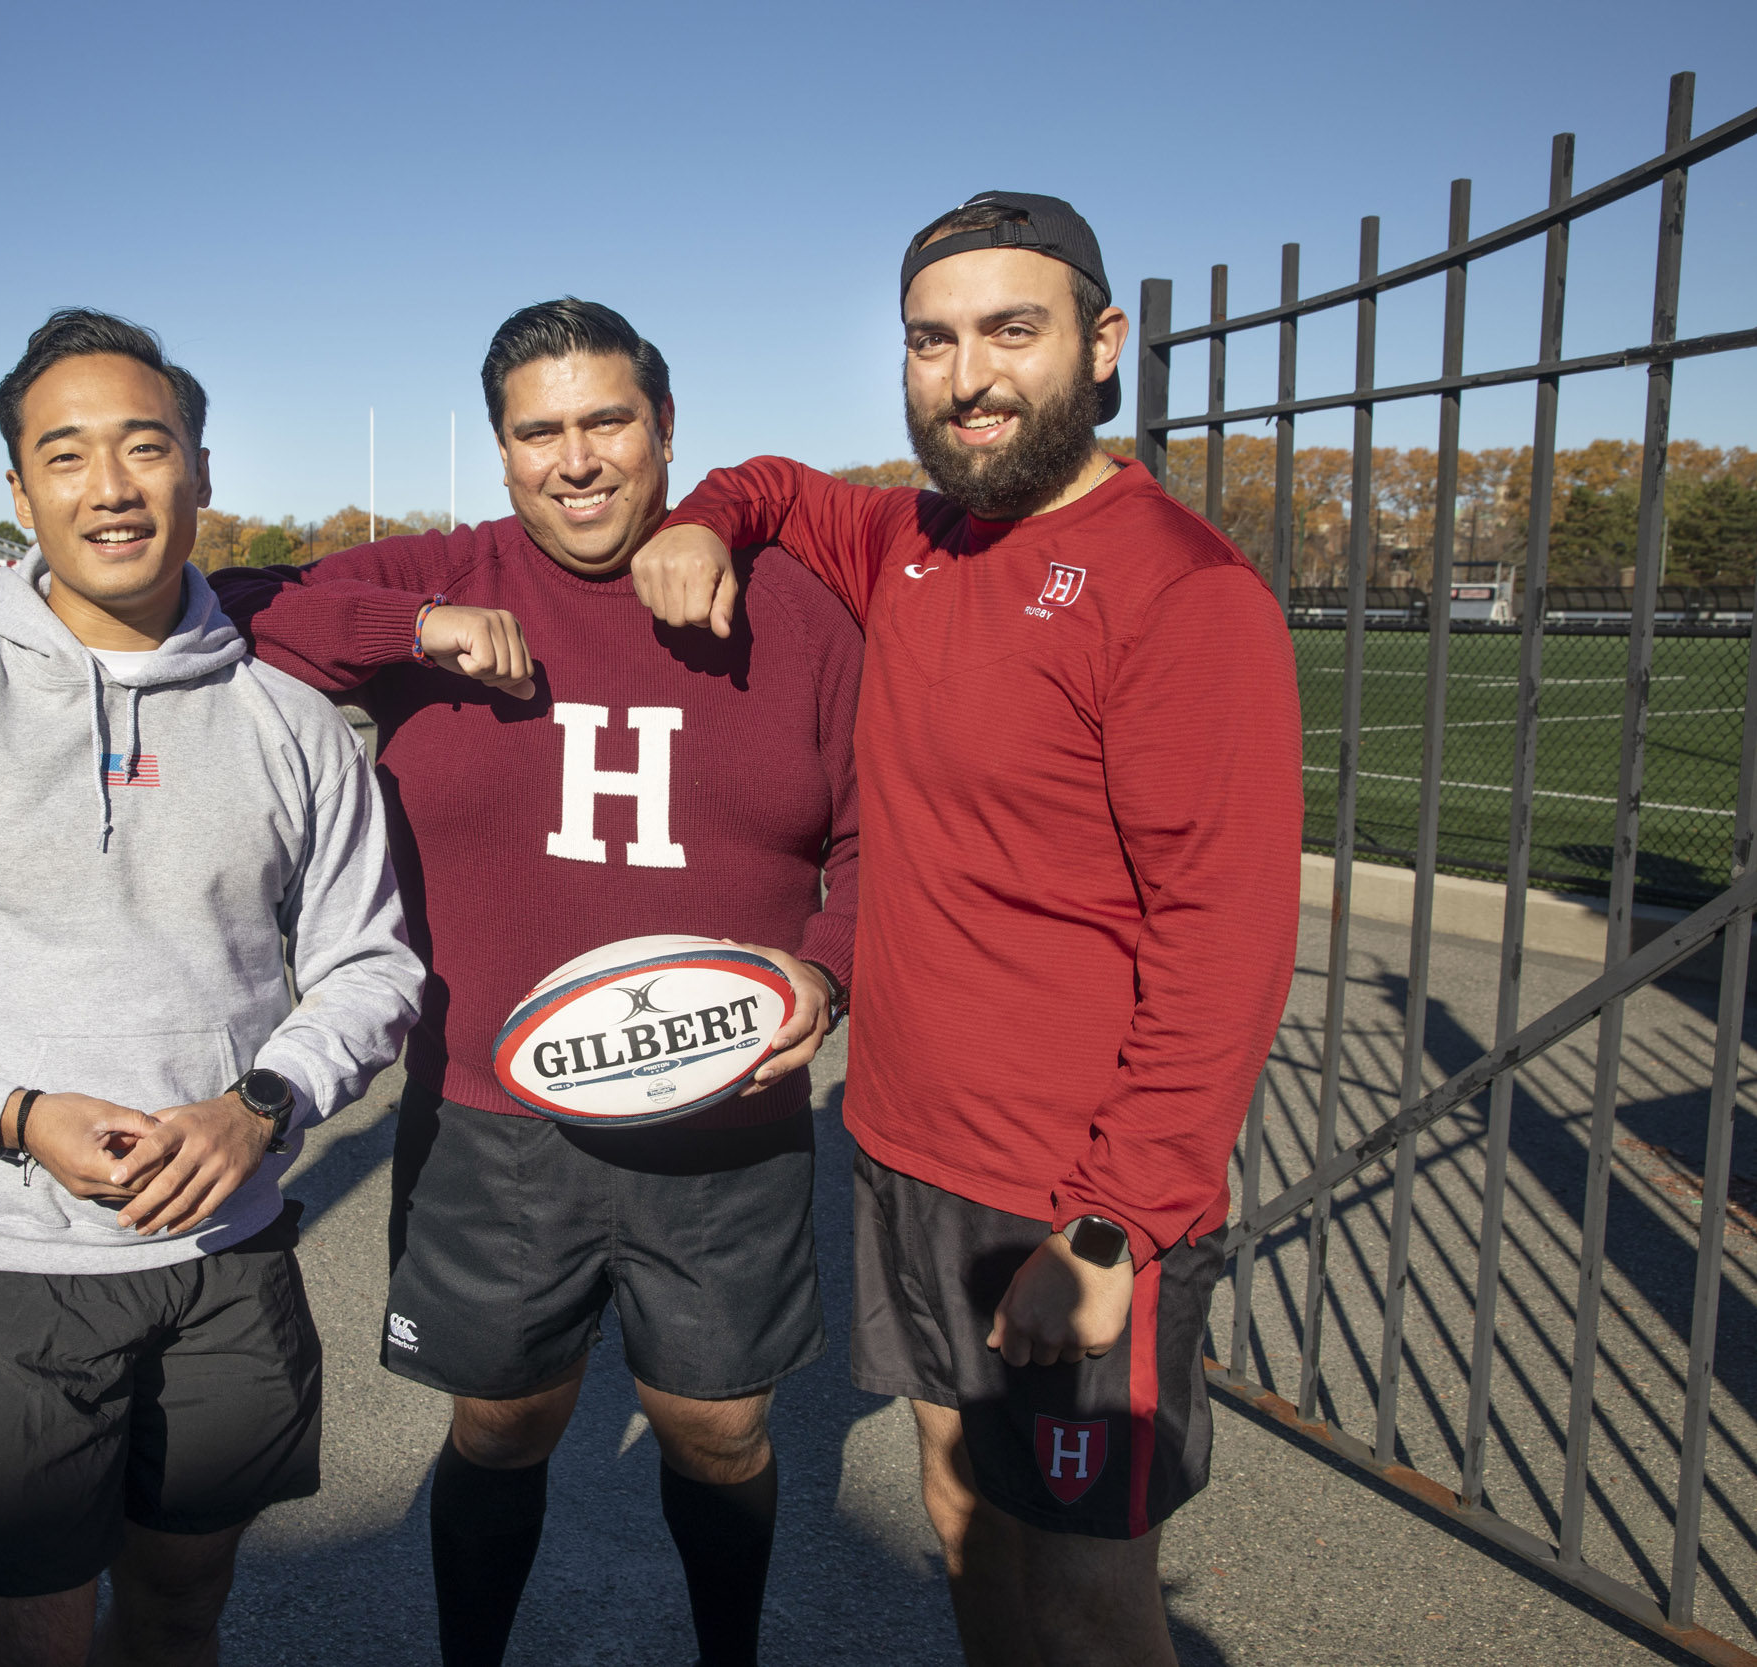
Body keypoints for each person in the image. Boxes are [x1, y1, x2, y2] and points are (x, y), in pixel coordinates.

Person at [629, 194, 1303, 1667]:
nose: (968, 374)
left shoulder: (1183, 591)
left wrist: (1114, 1227)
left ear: (1102, 344)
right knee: (960, 1513)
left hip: (1068, 1190)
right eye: (931, 341)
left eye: (1013, 330)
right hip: (902, 1155)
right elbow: (768, 482)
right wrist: (698, 520)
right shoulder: (910, 540)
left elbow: (1227, 944)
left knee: (1088, 1590)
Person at [0, 309, 421, 1667]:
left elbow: (371, 964)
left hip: (232, 1264)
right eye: (67, 455)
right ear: (18, 492)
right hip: (14, 1280)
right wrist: (9, 1115)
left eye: (145, 445)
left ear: (201, 472)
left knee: (179, 1617)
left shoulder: (291, 727)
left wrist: (264, 1104)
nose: (111, 485)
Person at [208, 298, 863, 1667]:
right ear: (501, 449)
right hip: (488, 1114)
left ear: (665, 428)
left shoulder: (795, 608)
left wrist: (827, 973)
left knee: (719, 1426)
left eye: (607, 421)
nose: (576, 460)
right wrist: (418, 625)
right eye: (539, 430)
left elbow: (874, 836)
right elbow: (235, 615)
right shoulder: (444, 576)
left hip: (721, 1109)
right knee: (503, 1420)